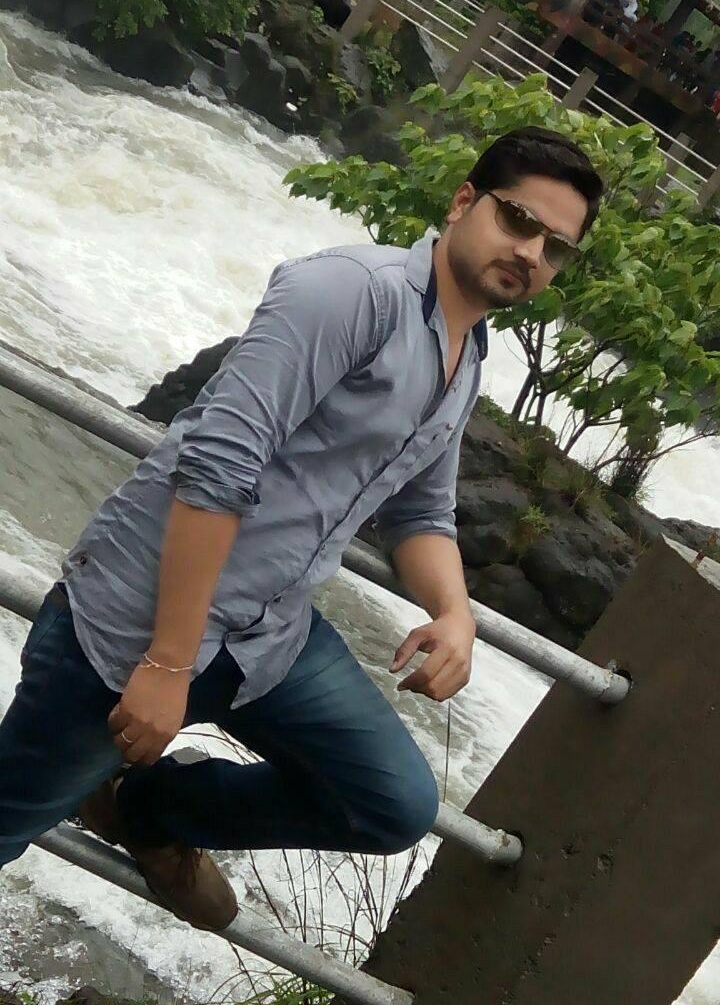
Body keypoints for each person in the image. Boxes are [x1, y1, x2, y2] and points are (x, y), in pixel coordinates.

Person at [0, 128, 604, 932]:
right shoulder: (349, 292)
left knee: (391, 802)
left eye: (555, 247)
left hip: (268, 640)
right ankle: (107, 785)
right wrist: (169, 661)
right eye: (519, 220)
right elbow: (218, 465)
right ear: (464, 202)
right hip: (140, 627)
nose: (531, 252)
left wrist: (454, 612)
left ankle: (145, 811)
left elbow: (420, 512)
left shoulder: (466, 355)